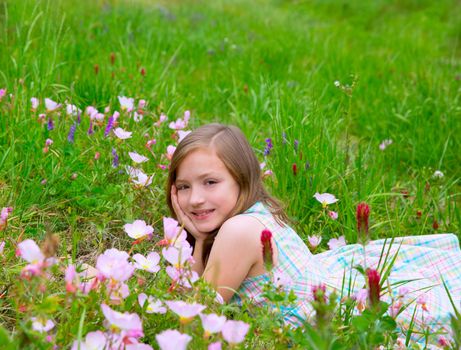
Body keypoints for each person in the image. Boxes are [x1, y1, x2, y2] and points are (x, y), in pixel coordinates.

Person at [166, 123, 461, 342]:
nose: (194, 199)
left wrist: (200, 240)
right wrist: (202, 241)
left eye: (210, 182)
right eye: (184, 186)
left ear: (241, 181)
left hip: (325, 326)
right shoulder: (255, 214)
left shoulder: (238, 230)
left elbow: (195, 314)